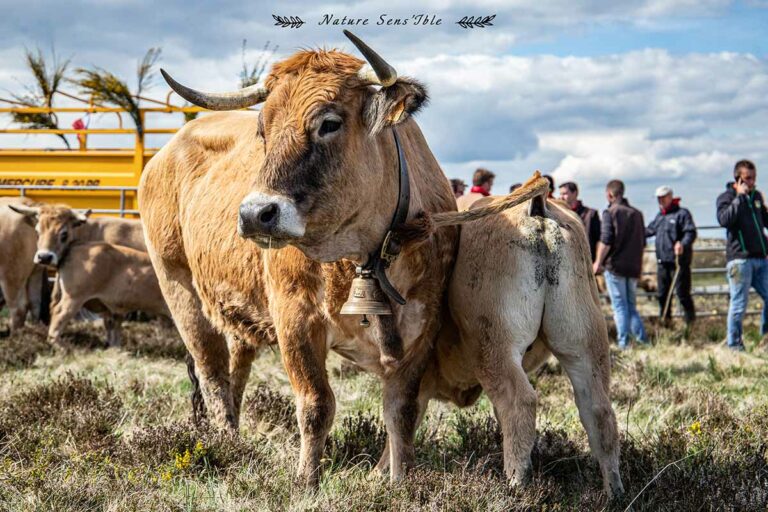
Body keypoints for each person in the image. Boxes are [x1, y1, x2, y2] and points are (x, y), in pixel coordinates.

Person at [716, 159, 768, 351]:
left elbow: (764, 222)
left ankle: (765, 338)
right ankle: (735, 345)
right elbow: (724, 220)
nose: (752, 182)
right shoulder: (726, 197)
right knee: (739, 304)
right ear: (738, 178)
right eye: (748, 178)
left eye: (754, 178)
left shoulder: (756, 197)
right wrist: (738, 198)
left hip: (761, 258)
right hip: (740, 259)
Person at [593, 180, 648, 349]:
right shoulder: (637, 214)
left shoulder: (610, 212)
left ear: (610, 194)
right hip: (633, 267)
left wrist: (598, 262)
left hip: (615, 267)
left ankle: (624, 343)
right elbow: (643, 241)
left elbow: (606, 240)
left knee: (619, 306)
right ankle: (642, 340)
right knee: (631, 306)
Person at [646, 186, 697, 325]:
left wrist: (682, 244)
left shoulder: (682, 214)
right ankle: (666, 323)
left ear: (670, 197)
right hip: (663, 262)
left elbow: (690, 232)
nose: (660, 201)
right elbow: (649, 230)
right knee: (662, 295)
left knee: (682, 294)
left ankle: (691, 325)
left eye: (663, 197)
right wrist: (635, 232)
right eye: (658, 198)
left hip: (678, 263)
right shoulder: (660, 216)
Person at [559, 181, 601, 261]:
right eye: (560, 194)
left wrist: (598, 262)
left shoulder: (591, 214)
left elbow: (599, 240)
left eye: (564, 194)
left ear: (575, 193)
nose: (561, 197)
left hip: (587, 261)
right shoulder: (559, 215)